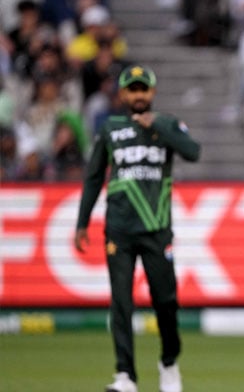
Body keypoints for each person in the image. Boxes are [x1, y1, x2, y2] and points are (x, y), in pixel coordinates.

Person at [74, 64, 200, 392]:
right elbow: (92, 176)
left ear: (152, 93)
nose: (139, 95)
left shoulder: (167, 123)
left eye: (144, 89)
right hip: (119, 228)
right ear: (123, 94)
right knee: (121, 302)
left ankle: (169, 362)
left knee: (166, 301)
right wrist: (82, 222)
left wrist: (156, 124)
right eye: (133, 89)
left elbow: (193, 151)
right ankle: (125, 375)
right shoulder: (110, 127)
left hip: (157, 228)